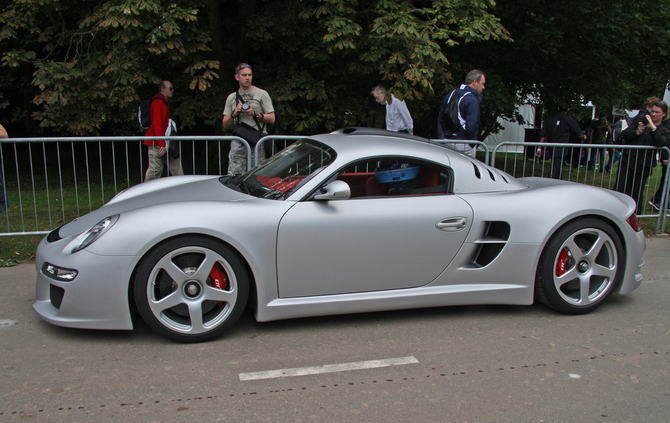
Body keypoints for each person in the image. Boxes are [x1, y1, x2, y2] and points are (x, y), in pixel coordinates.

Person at [615, 101, 670, 215]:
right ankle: (617, 213)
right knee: (621, 188)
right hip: (628, 159)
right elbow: (625, 134)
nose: (654, 114)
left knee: (637, 192)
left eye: (657, 112)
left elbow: (661, 143)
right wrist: (637, 131)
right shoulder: (640, 120)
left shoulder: (664, 130)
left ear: (663, 114)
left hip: (644, 163)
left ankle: (635, 216)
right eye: (653, 111)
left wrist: (653, 128)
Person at [222, 63, 275, 176]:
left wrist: (254, 114)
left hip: (257, 140)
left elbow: (272, 118)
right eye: (244, 75)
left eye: (249, 75)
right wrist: (234, 114)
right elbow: (225, 124)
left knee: (257, 174)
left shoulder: (262, 94)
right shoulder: (232, 97)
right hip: (239, 140)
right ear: (237, 77)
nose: (247, 78)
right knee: (235, 173)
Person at [439, 69, 486, 158]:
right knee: (467, 170)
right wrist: (471, 143)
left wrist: (447, 134)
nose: (483, 87)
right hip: (464, 142)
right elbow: (472, 124)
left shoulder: (451, 94)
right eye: (482, 83)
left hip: (448, 139)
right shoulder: (471, 99)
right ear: (475, 82)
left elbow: (442, 117)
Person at [144, 80, 183, 181]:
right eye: (170, 88)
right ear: (162, 89)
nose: (172, 90)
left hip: (164, 142)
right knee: (155, 170)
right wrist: (162, 143)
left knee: (176, 167)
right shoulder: (158, 103)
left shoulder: (163, 103)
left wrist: (163, 143)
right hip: (157, 143)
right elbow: (157, 124)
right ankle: (145, 192)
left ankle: (183, 190)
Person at [536, 101, 587, 179]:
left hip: (551, 146)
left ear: (558, 108)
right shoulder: (569, 120)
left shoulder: (551, 120)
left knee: (557, 164)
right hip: (562, 147)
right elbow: (579, 134)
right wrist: (584, 137)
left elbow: (543, 134)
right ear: (568, 109)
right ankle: (549, 181)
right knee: (556, 166)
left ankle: (559, 181)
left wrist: (539, 147)